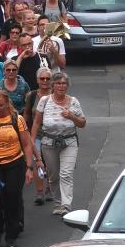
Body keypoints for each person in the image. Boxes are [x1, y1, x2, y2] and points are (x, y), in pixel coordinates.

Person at [0, 90, 35, 247]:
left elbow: (26, 144)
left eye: (0, 105)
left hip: (15, 164)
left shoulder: (17, 119)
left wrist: (29, 167)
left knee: (13, 198)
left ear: (7, 104)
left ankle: (12, 235)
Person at [30, 72, 86, 216]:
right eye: (58, 83)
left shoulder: (74, 101)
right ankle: (58, 202)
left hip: (69, 142)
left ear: (68, 86)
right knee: (53, 176)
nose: (61, 86)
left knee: (66, 173)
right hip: (49, 142)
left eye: (64, 83)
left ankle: (66, 205)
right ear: (53, 85)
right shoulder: (44, 100)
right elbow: (36, 122)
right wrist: (31, 142)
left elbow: (82, 123)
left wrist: (72, 116)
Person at [24, 67, 53, 206]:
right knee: (38, 161)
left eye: (48, 78)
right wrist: (26, 132)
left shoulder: (56, 94)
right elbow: (27, 115)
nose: (45, 81)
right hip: (36, 133)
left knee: (51, 162)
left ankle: (50, 188)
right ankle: (40, 191)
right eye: (42, 78)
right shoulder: (32, 95)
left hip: (53, 134)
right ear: (37, 80)